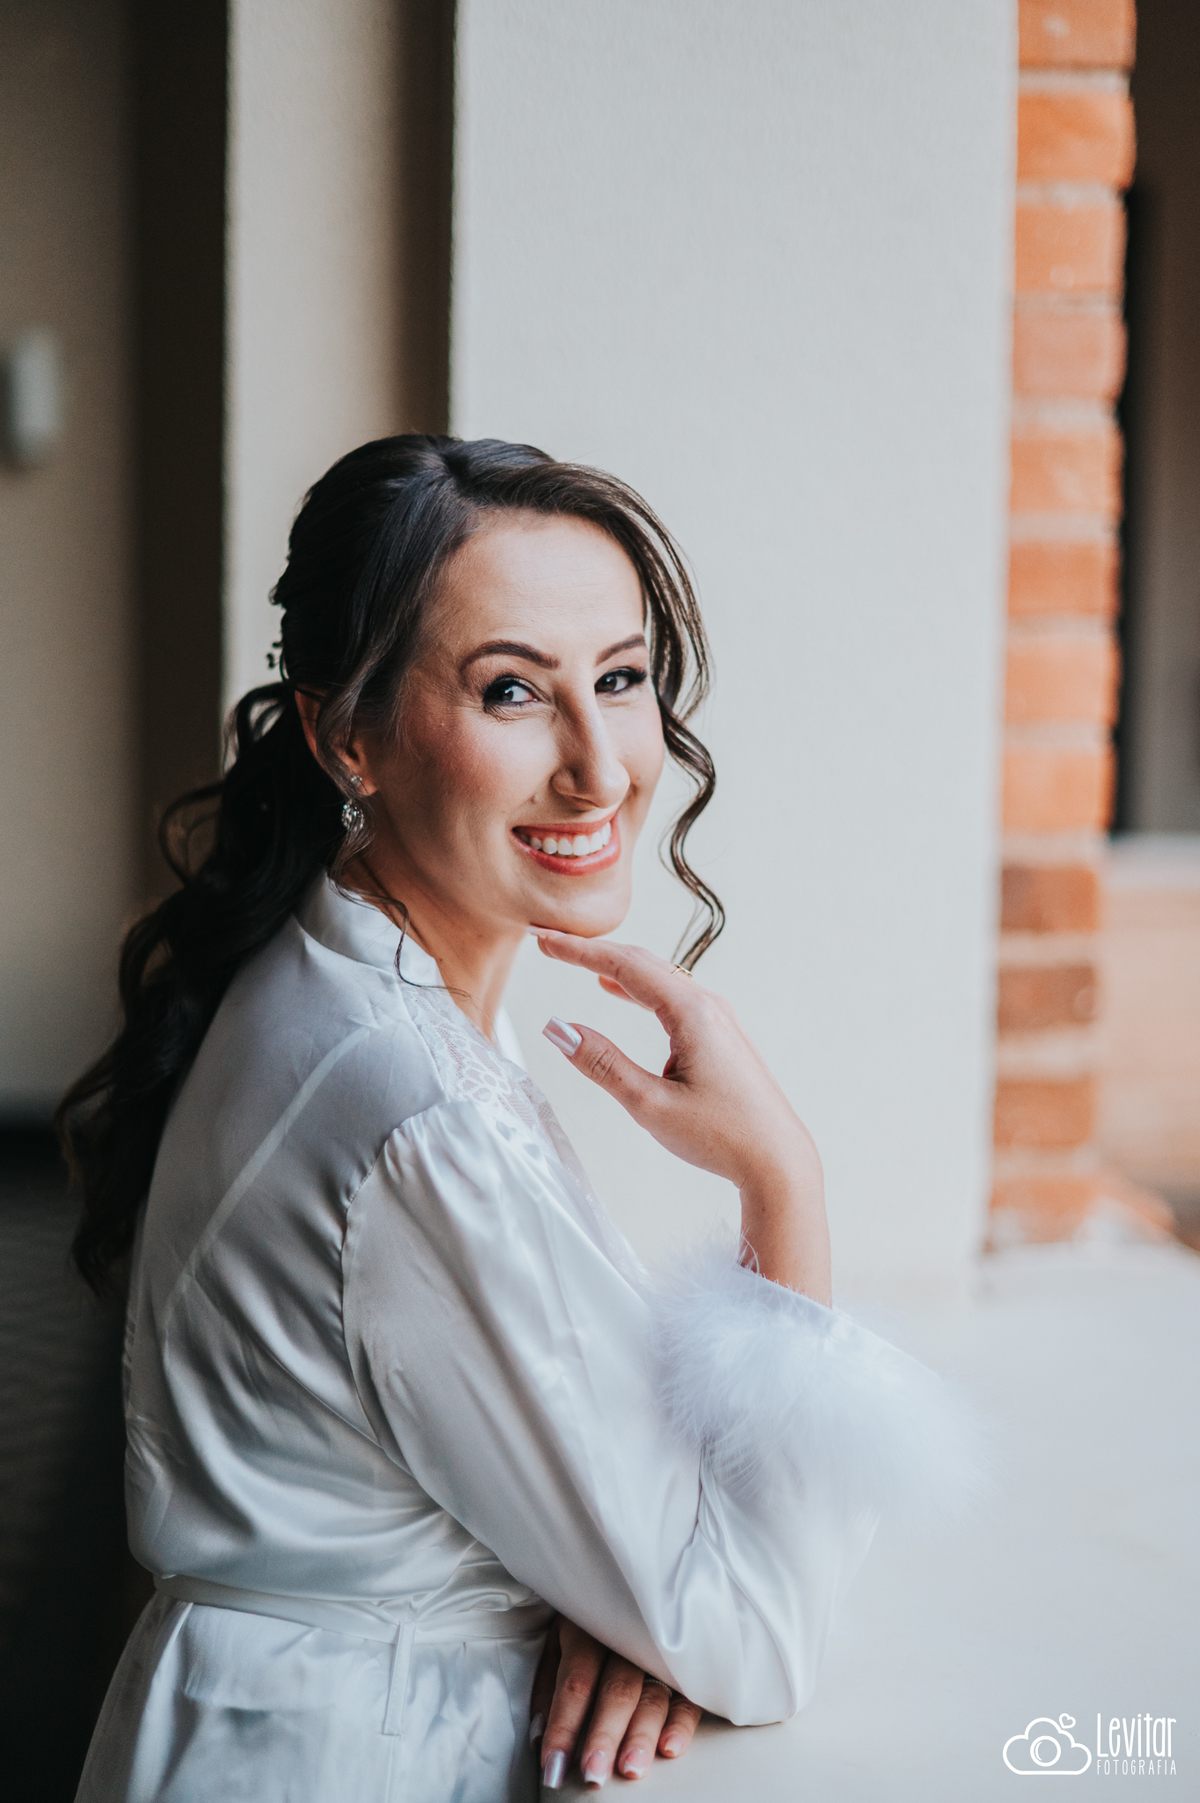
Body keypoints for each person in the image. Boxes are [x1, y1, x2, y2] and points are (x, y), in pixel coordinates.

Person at [62, 436, 978, 1802]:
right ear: (346, 736)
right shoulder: (415, 1110)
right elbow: (753, 1636)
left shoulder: (352, 979)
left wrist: (593, 1586)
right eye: (512, 692)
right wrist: (784, 1181)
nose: (600, 768)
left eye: (620, 679)